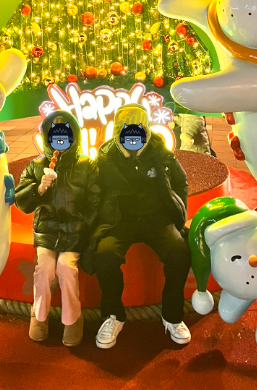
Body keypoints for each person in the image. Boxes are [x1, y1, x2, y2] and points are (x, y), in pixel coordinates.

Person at [90, 103, 191, 349]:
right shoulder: (105, 157)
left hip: (156, 218)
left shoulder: (160, 152)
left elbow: (181, 181)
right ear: (118, 131)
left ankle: (172, 316)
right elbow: (95, 192)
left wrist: (178, 212)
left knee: (179, 252)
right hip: (120, 220)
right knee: (104, 255)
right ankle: (114, 315)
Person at [15, 110, 100, 347]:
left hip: (75, 233)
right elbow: (22, 202)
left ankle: (72, 319)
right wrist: (39, 189)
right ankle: (39, 316)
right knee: (44, 270)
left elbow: (95, 201)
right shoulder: (36, 166)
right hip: (47, 231)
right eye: (55, 136)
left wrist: (82, 225)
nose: (60, 141)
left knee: (66, 268)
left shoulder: (86, 165)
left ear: (73, 137)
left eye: (65, 136)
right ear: (48, 138)